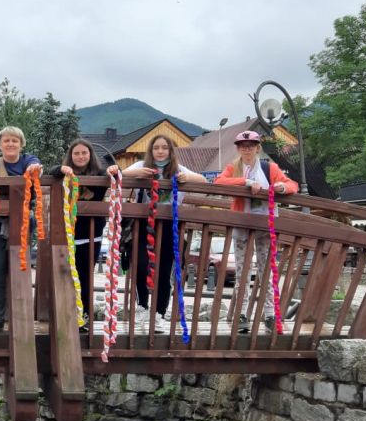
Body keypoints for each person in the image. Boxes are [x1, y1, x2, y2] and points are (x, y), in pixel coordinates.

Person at [113, 134, 206, 332]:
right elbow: (119, 174)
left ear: (171, 151)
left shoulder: (179, 169)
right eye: (156, 148)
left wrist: (187, 178)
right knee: (140, 265)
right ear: (151, 151)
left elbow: (204, 181)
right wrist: (137, 175)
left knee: (164, 271)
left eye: (164, 147)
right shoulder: (141, 165)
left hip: (169, 226)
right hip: (143, 225)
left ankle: (159, 313)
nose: (160, 151)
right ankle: (142, 306)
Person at [214, 130, 298, 333]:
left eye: (251, 145)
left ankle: (270, 314)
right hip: (242, 223)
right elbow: (218, 182)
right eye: (243, 146)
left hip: (265, 225)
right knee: (242, 271)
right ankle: (242, 314)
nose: (247, 149)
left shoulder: (269, 168)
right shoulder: (234, 167)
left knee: (266, 270)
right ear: (238, 149)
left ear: (257, 148)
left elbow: (292, 185)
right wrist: (245, 182)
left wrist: (281, 187)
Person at [48, 140, 117, 331]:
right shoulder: (65, 173)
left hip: (91, 235)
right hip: (67, 234)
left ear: (90, 154)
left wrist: (114, 169)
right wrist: (62, 169)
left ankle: (83, 315)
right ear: (71, 156)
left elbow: (115, 173)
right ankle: (66, 314)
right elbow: (51, 170)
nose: (80, 156)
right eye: (76, 153)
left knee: (85, 276)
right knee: (66, 275)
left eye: (84, 153)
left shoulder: (99, 174)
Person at [0, 126, 41, 332]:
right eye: (6, 140)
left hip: (21, 225)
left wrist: (35, 168)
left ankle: (21, 315)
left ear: (21, 144)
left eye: (15, 140)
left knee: (20, 270)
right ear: (0, 144)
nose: (11, 144)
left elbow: (35, 165)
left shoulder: (28, 160)